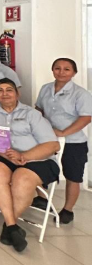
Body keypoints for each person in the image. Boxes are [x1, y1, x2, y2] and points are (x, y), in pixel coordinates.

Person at [0, 78, 60, 252]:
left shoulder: (31, 114)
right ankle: (12, 226)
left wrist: (24, 156)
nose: (4, 94)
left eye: (9, 90)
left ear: (17, 93)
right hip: (4, 155)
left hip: (36, 159)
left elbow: (53, 145)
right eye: (0, 90)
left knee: (21, 178)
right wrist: (4, 153)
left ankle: (8, 225)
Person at [35, 58, 92, 224]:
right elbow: (39, 109)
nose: (61, 72)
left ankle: (68, 210)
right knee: (39, 166)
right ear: (52, 70)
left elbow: (86, 117)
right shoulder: (46, 88)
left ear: (74, 73)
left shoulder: (80, 93)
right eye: (57, 68)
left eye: (67, 69)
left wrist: (63, 133)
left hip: (73, 141)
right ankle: (42, 198)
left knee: (73, 175)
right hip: (47, 139)